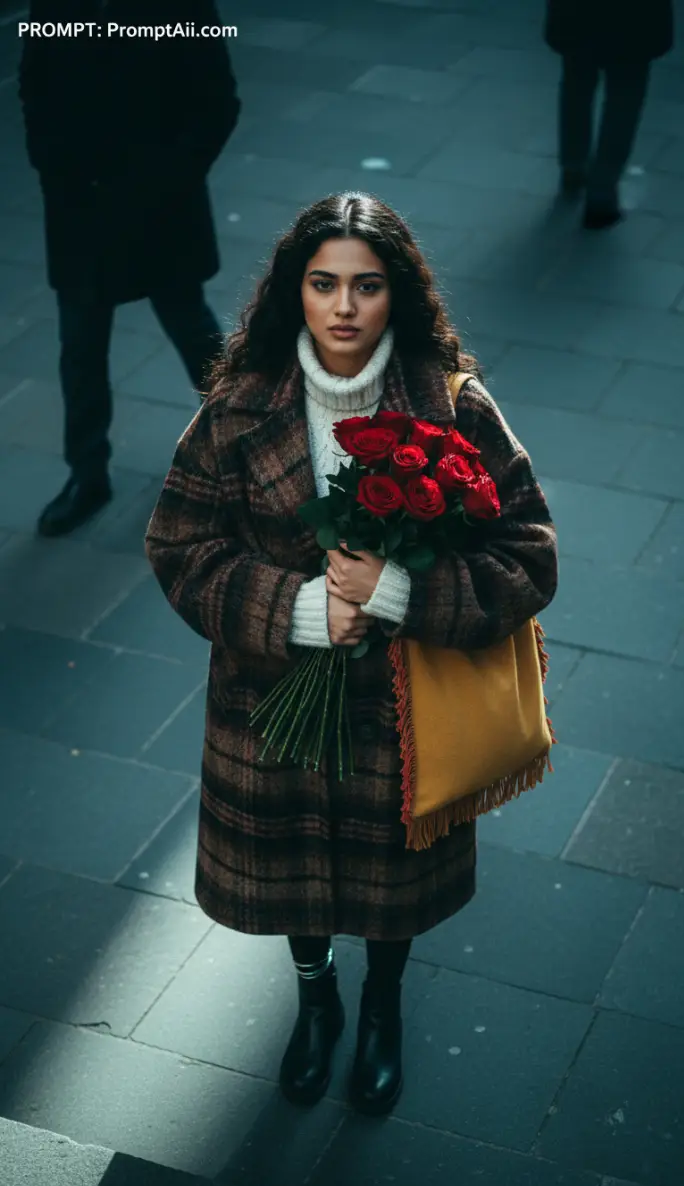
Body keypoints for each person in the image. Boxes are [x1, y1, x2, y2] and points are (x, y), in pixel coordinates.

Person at [144, 193, 558, 1117]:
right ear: (294, 291)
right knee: (294, 878)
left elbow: (529, 554)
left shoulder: (453, 404)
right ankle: (317, 998)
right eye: (323, 283)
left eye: (366, 286)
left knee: (389, 885)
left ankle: (380, 1007)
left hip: (405, 708)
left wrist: (397, 593)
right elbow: (179, 546)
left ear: (395, 293)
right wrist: (300, 610)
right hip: (271, 698)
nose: (343, 306)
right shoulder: (237, 408)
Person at [18, 0, 241, 536]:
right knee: (81, 344)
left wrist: (169, 180)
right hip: (81, 200)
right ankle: (87, 472)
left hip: (157, 202)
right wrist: (52, 164)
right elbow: (36, 81)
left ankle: (242, 455)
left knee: (190, 326)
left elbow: (216, 100)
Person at [544, 0, 674, 229]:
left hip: (576, 15)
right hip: (634, 20)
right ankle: (602, 190)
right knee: (624, 97)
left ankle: (573, 165)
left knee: (577, 84)